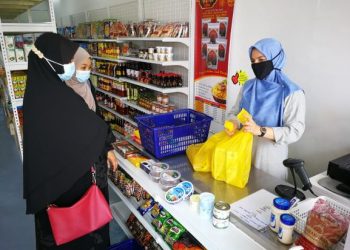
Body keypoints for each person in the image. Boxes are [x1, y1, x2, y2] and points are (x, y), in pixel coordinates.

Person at [23, 32, 117, 250]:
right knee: (70, 235)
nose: (70, 66)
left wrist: (106, 146)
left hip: (86, 178)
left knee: (93, 224)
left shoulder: (60, 88)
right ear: (48, 60)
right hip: (63, 188)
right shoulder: (44, 98)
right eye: (66, 60)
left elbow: (94, 123)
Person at [226, 38, 305, 180]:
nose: (256, 64)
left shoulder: (292, 92)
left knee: (265, 196)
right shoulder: (248, 86)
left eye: (261, 59)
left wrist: (260, 130)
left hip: (269, 158)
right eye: (253, 61)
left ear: (276, 59)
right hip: (241, 151)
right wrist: (234, 123)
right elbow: (234, 112)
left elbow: (295, 131)